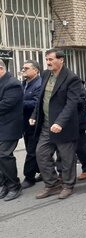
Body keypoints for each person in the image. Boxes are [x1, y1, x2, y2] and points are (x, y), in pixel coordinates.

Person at [31, 49, 84, 200]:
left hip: (64, 126)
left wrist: (60, 122)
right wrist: (34, 115)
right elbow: (42, 98)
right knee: (41, 154)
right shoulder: (46, 74)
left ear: (61, 60)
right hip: (47, 126)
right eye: (46, 59)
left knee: (67, 158)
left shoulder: (71, 78)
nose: (48, 62)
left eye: (51, 59)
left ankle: (68, 185)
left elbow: (71, 104)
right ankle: (52, 184)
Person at [0, 60, 23, 201]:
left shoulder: (12, 83)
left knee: (4, 155)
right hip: (2, 126)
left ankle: (14, 186)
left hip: (9, 127)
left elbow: (6, 104)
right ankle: (5, 185)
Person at [20, 60, 42, 189]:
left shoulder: (39, 84)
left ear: (36, 70)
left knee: (32, 151)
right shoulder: (24, 84)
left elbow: (37, 103)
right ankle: (44, 172)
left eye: (26, 68)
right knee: (31, 149)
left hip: (35, 122)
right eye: (23, 68)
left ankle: (29, 177)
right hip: (25, 123)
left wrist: (19, 103)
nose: (23, 70)